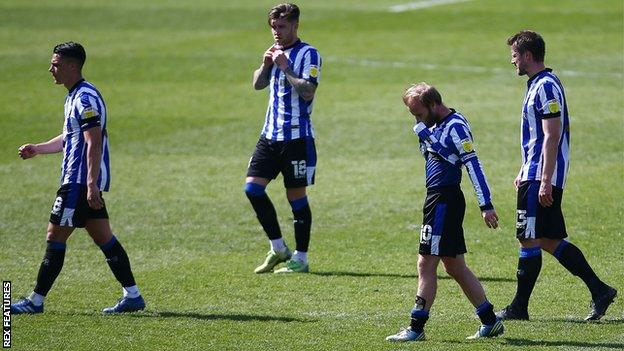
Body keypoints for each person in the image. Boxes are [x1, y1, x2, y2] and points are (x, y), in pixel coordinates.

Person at [10, 42, 145, 314]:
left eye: (56, 64)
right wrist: (39, 148)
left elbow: (92, 142)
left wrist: (92, 185)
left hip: (79, 182)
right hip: (81, 182)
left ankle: (36, 301)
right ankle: (133, 296)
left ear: (73, 66)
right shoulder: (73, 96)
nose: (51, 69)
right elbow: (69, 137)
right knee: (103, 237)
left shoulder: (85, 98)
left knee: (55, 235)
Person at [497, 30, 617, 321]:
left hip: (542, 176)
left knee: (528, 238)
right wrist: (524, 169)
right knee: (547, 240)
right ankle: (600, 290)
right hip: (535, 172)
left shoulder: (546, 86)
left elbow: (552, 136)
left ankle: (519, 308)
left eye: (514, 55)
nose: (512, 61)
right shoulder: (536, 84)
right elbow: (538, 139)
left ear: (527, 55)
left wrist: (544, 179)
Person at [386, 83, 504, 342]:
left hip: (444, 200)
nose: (417, 120)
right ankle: (490, 321)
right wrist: (425, 135)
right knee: (455, 266)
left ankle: (416, 327)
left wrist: (486, 205)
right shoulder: (434, 127)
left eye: (418, 114)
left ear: (433, 105)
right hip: (438, 199)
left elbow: (472, 164)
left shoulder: (455, 126)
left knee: (426, 263)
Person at [245, 3, 321, 274]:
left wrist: (285, 67)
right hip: (269, 135)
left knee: (295, 197)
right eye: (273, 27)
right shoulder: (273, 52)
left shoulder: (309, 54)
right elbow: (257, 84)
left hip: (296, 139)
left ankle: (301, 258)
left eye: (282, 27)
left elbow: (308, 91)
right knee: (252, 189)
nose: (276, 32)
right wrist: (266, 65)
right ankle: (278, 248)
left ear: (295, 25)